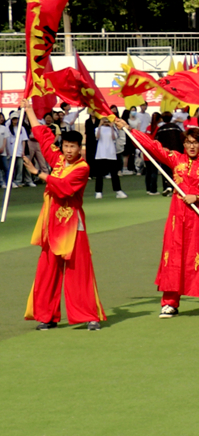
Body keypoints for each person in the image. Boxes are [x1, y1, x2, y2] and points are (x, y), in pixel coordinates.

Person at [130, 122, 199, 318]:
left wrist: (198, 197)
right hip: (177, 217)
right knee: (173, 257)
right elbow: (153, 147)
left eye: (195, 142)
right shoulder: (176, 159)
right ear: (183, 144)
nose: (191, 146)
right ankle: (170, 303)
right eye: (188, 142)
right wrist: (130, 130)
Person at [22, 109, 105, 330]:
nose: (68, 150)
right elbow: (42, 136)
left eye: (73, 147)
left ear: (80, 148)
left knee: (79, 271)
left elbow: (64, 188)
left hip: (73, 225)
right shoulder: (58, 160)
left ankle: (90, 316)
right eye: (66, 146)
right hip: (51, 224)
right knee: (47, 271)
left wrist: (38, 173)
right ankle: (47, 316)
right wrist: (28, 109)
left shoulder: (82, 168)